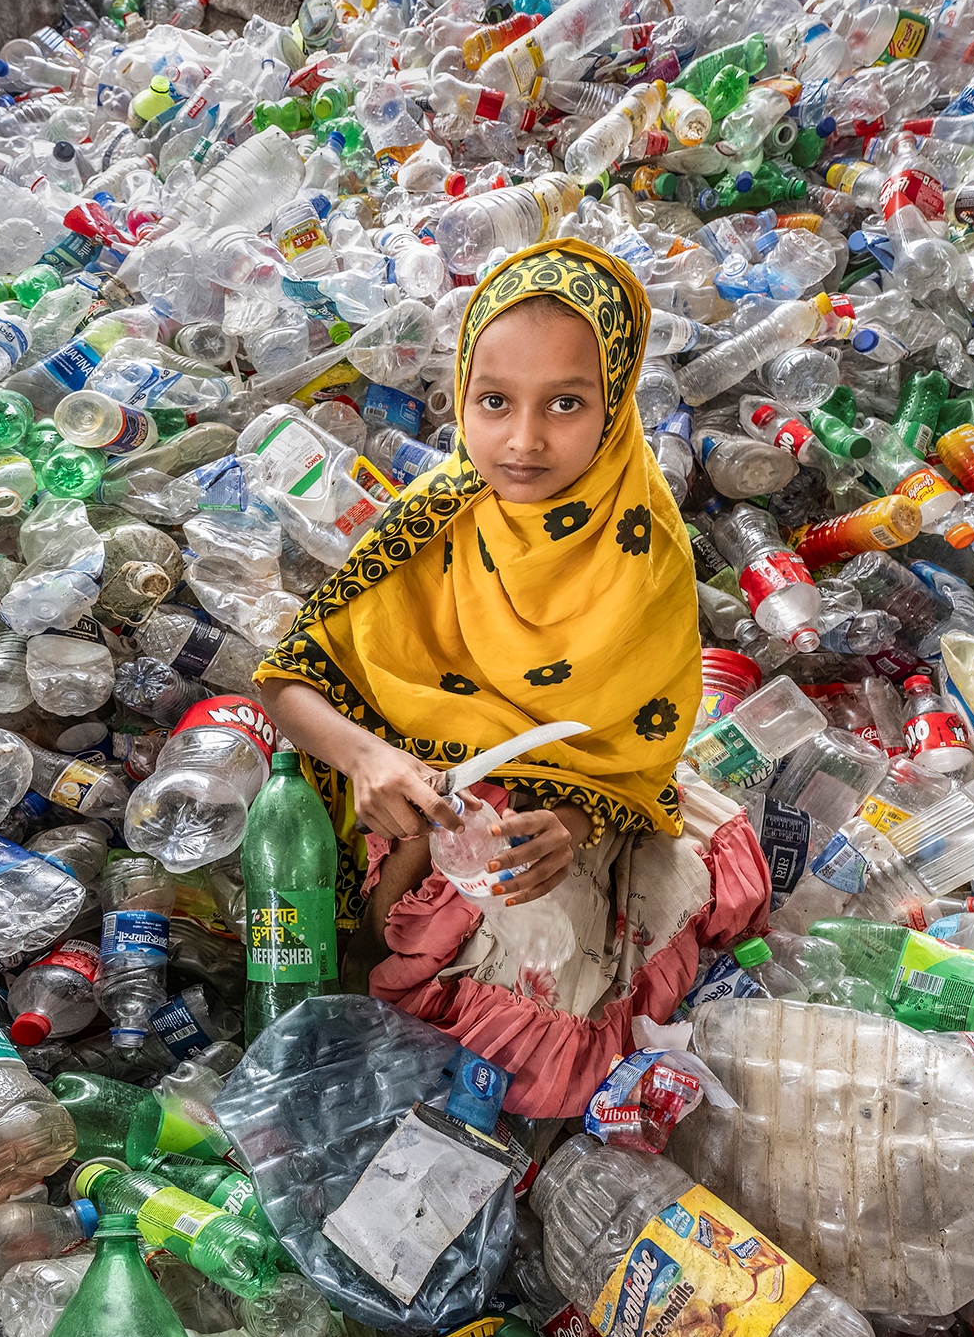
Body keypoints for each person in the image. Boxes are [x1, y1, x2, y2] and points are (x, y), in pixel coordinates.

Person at [255, 237, 765, 1115]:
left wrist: (570, 823)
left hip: (554, 810)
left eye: (565, 403)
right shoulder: (432, 520)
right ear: (461, 392)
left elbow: (630, 754)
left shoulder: (644, 551)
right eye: (493, 401)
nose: (523, 441)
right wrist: (367, 758)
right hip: (406, 795)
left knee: (536, 988)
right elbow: (287, 679)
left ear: (615, 403)